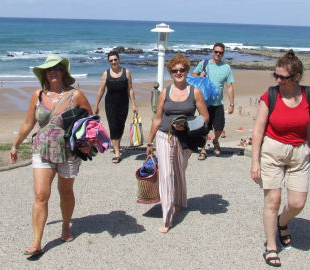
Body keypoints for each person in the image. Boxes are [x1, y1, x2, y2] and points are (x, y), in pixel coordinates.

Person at [9, 56, 93, 256]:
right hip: (42, 150)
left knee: (65, 191)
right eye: (49, 69)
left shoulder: (76, 95)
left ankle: (65, 226)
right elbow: (28, 123)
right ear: (44, 74)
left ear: (63, 71)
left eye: (57, 68)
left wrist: (87, 144)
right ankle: (37, 242)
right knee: (41, 194)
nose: (53, 71)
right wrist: (15, 145)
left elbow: (90, 122)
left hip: (68, 152)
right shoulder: (37, 95)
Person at [250, 50, 310, 267]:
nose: (278, 81)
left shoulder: (308, 95)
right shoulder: (270, 95)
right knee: (273, 200)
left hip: (299, 152)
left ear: (297, 76)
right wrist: (255, 161)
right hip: (273, 150)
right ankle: (271, 246)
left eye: (283, 77)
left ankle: (283, 222)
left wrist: (309, 147)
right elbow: (258, 131)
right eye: (276, 76)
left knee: (297, 203)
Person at [146, 54, 209, 233]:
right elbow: (157, 118)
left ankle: (180, 202)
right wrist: (149, 141)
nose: (178, 73)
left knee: (179, 171)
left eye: (182, 70)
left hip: (185, 139)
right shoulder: (165, 92)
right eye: (175, 71)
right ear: (170, 72)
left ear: (187, 71)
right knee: (166, 175)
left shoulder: (195, 91)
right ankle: (167, 218)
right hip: (164, 136)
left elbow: (205, 117)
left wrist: (187, 126)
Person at [192, 42, 235, 160]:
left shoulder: (226, 68)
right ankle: (203, 150)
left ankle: (216, 140)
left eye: (220, 52)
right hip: (204, 103)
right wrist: (199, 76)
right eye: (216, 52)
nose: (218, 54)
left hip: (218, 104)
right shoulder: (204, 64)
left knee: (219, 127)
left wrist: (232, 104)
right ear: (212, 52)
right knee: (204, 128)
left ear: (223, 54)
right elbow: (192, 75)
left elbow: (229, 86)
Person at [93, 51, 138, 163]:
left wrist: (134, 104)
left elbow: (130, 89)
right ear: (109, 62)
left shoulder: (126, 72)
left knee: (120, 126)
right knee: (113, 126)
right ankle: (117, 152)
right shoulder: (106, 74)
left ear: (119, 59)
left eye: (115, 59)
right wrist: (96, 104)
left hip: (124, 104)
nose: (113, 62)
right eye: (111, 60)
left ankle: (116, 145)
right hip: (110, 105)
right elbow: (101, 90)